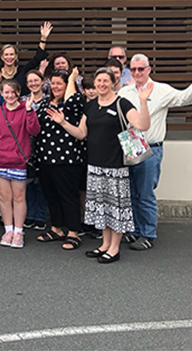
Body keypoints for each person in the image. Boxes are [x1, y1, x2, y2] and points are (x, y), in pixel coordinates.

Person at [47, 67, 152, 264]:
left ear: (113, 83)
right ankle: (105, 244)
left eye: (105, 81)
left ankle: (114, 248)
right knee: (102, 207)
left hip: (116, 166)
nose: (101, 84)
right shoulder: (91, 106)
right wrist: (62, 122)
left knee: (116, 208)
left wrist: (143, 102)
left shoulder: (122, 103)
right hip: (95, 166)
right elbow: (81, 133)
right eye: (98, 81)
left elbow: (143, 125)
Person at [119, 54, 192, 250]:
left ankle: (147, 233)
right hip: (130, 145)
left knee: (145, 193)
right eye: (133, 69)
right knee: (131, 192)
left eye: (140, 69)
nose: (137, 73)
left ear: (148, 69)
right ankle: (134, 230)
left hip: (151, 147)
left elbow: (185, 98)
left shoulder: (161, 90)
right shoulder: (125, 92)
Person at [0, 79, 40, 249]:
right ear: (1, 93)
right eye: (6, 92)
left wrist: (29, 111)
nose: (10, 95)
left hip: (18, 159)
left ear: (18, 93)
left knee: (19, 196)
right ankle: (8, 230)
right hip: (0, 159)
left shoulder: (26, 109)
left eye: (13, 92)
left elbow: (34, 130)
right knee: (4, 197)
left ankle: (19, 231)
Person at [35, 70, 87, 250]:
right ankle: (56, 228)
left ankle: (73, 232)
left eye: (60, 83)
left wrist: (72, 79)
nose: (55, 87)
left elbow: (73, 100)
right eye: (53, 83)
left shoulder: (73, 103)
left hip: (67, 159)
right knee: (51, 195)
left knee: (68, 196)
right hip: (45, 158)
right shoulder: (45, 103)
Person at [22, 69, 48, 231]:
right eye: (30, 81)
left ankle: (41, 216)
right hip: (27, 146)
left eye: (36, 80)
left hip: (45, 145)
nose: (33, 83)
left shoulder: (49, 100)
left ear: (43, 81)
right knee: (28, 182)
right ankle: (29, 214)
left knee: (42, 183)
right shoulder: (22, 100)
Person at [0, 21, 53, 95]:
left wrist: (43, 38)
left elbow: (38, 58)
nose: (9, 57)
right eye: (6, 54)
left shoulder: (23, 71)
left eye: (11, 54)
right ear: (2, 57)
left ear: (16, 56)